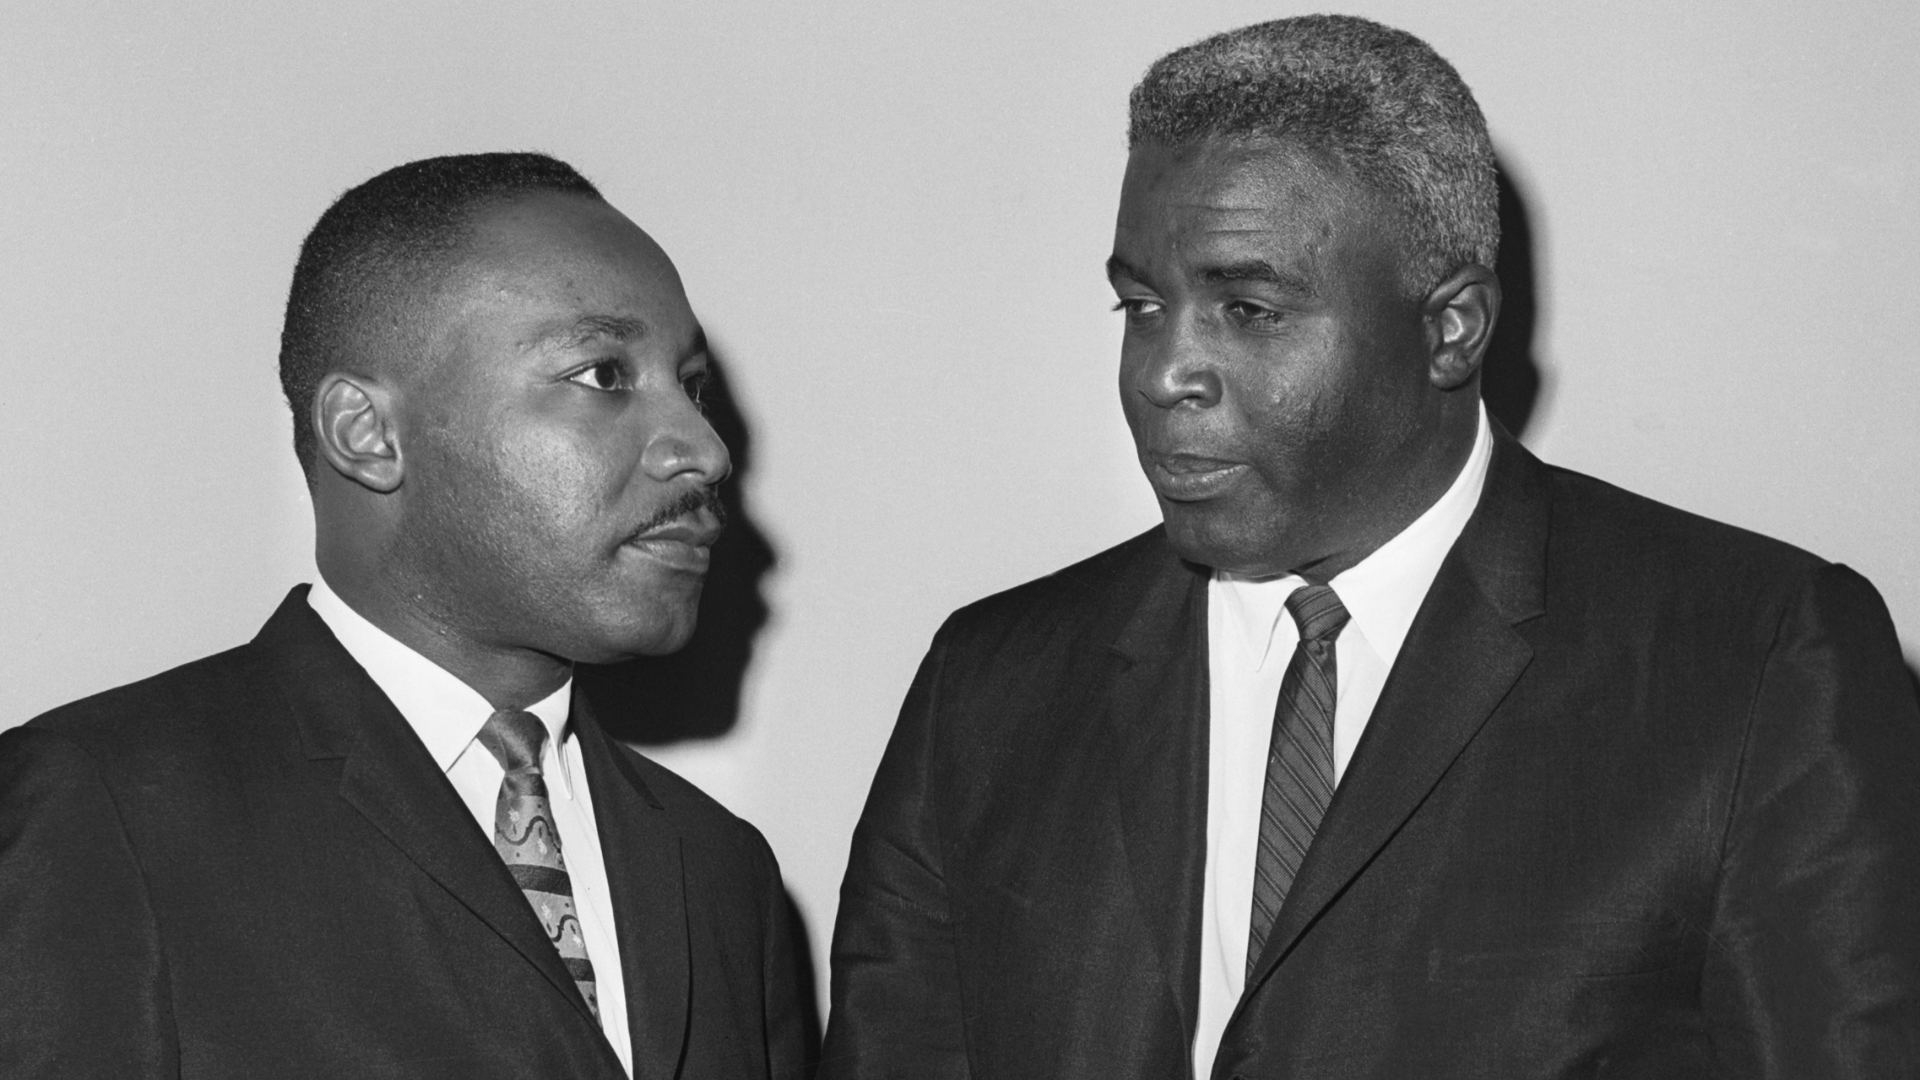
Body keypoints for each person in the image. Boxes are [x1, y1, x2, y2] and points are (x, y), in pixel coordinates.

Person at [822, 16, 1919, 1079]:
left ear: (1452, 327)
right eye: (1141, 306)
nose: (1163, 374)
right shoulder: (988, 685)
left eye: (1246, 309)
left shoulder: (1758, 660)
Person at [0, 153, 810, 1079]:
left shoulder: (720, 872)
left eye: (691, 384)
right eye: (602, 374)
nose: (705, 450)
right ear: (368, 433)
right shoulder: (99, 809)